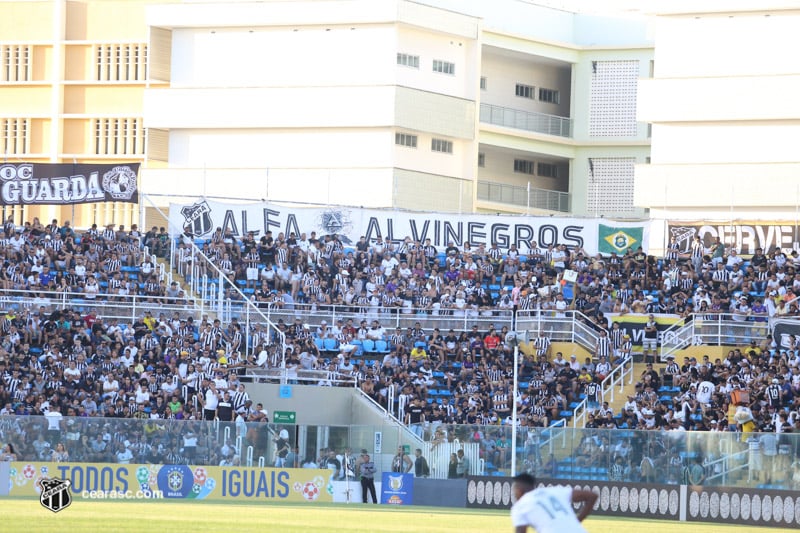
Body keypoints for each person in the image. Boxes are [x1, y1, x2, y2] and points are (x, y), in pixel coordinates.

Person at [510, 473, 598, 533]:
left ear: (519, 490)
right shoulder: (555, 491)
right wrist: (577, 520)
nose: (514, 494)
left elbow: (520, 531)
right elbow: (592, 495)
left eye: (514, 490)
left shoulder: (520, 506)